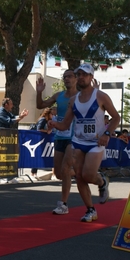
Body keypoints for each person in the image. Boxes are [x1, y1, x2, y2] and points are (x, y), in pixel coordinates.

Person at [48, 63, 120, 222]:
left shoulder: (100, 96)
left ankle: (101, 181)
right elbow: (65, 125)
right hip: (78, 141)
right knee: (79, 177)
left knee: (87, 175)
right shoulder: (73, 100)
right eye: (78, 74)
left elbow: (116, 117)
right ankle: (90, 210)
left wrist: (107, 133)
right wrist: (54, 124)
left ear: (91, 77)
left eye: (84, 74)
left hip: (96, 142)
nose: (81, 77)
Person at [36, 69, 78, 215]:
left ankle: (63, 204)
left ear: (76, 79)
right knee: (59, 173)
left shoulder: (81, 96)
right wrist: (39, 92)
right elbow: (40, 105)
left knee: (65, 170)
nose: (66, 79)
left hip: (73, 137)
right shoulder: (58, 95)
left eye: (69, 77)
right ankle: (82, 173)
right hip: (59, 135)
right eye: (64, 77)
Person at [30, 107, 54, 177]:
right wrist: (47, 131)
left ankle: (34, 173)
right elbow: (39, 129)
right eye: (51, 114)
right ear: (48, 114)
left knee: (39, 156)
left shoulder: (46, 120)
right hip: (38, 141)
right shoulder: (43, 120)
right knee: (37, 156)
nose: (52, 116)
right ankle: (33, 173)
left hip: (42, 141)